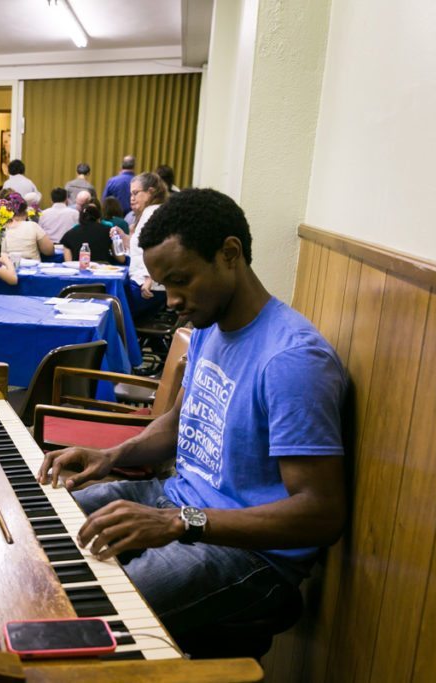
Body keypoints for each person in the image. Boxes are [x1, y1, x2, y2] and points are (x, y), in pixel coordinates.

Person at [38, 187, 347, 643]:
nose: (171, 300)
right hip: (176, 499)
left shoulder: (293, 359)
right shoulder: (208, 326)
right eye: (165, 286)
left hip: (252, 555)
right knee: (40, 524)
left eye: (181, 280)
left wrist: (178, 522)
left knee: (86, 621)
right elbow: (180, 422)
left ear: (229, 253)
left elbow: (320, 514)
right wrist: (111, 455)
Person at [117, 172, 169, 318]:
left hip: (145, 286)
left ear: (150, 192)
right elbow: (140, 247)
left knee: (109, 307)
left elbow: (162, 248)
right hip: (148, 284)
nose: (131, 199)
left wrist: (149, 278)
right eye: (131, 194)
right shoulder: (153, 211)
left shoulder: (152, 213)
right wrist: (125, 238)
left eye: (136, 193)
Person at [60, 202, 126, 265]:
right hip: (103, 273)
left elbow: (68, 264)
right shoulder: (109, 231)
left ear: (80, 218)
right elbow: (121, 259)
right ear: (99, 218)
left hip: (80, 273)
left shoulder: (68, 235)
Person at [0, 194, 53, 262]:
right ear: (25, 213)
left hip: (6, 269)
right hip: (32, 269)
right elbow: (49, 251)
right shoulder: (33, 226)